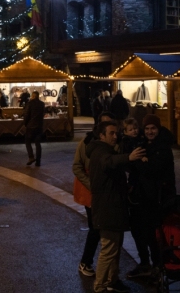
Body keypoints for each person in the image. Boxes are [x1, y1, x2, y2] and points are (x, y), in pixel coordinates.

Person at [87, 120, 146, 293]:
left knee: (114, 247)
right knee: (109, 248)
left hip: (112, 205)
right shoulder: (100, 152)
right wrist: (129, 157)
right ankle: (100, 286)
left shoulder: (103, 150)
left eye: (116, 133)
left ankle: (112, 280)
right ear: (101, 135)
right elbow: (109, 162)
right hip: (107, 207)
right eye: (111, 133)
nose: (115, 136)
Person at [128, 114, 176, 280]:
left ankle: (157, 264)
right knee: (137, 230)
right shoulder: (143, 143)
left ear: (158, 129)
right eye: (147, 128)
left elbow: (150, 170)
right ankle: (144, 263)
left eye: (153, 128)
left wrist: (136, 160)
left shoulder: (163, 148)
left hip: (157, 198)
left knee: (152, 233)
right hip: (141, 195)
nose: (150, 132)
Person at [73, 111, 116, 278]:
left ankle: (108, 270)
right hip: (91, 193)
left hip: (106, 192)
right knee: (95, 228)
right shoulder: (86, 143)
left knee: (103, 228)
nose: (109, 130)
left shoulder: (113, 142)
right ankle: (86, 261)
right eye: (104, 125)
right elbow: (77, 166)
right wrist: (92, 185)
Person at [23, 91, 46, 166]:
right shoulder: (42, 104)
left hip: (30, 126)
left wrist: (25, 124)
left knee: (27, 142)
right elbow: (43, 114)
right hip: (39, 126)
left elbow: (26, 115)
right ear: (38, 96)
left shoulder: (29, 103)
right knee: (38, 143)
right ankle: (38, 161)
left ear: (33, 96)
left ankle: (31, 157)